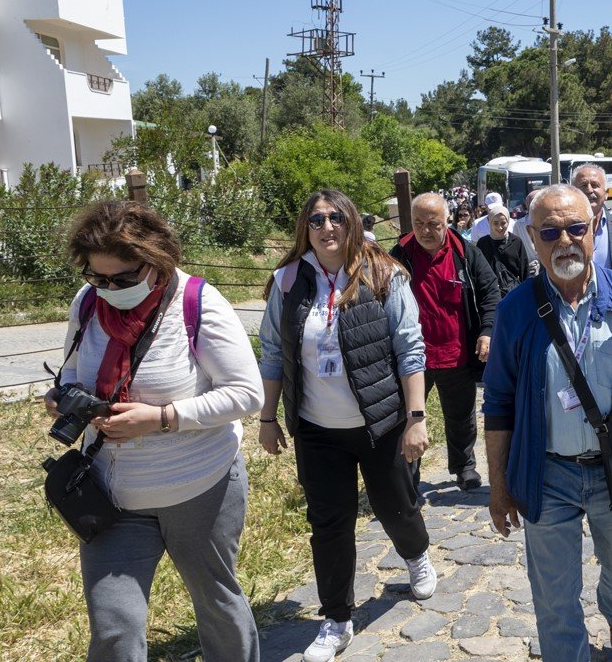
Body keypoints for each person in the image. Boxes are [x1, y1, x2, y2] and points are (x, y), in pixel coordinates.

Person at [46, 200, 262, 662]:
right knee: (113, 630)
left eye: (122, 279)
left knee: (217, 606)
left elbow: (247, 394)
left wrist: (161, 417)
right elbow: (71, 374)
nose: (109, 290)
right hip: (112, 497)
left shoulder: (197, 301)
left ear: (156, 261)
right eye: (97, 277)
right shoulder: (86, 304)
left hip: (200, 488)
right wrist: (62, 397)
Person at [482, 185, 612, 662]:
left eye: (576, 228)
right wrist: (498, 486)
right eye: (550, 232)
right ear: (532, 237)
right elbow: (498, 404)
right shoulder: (516, 310)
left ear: (594, 228)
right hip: (547, 472)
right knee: (554, 599)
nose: (565, 241)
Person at [258, 190, 435, 662]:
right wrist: (268, 417)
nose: (327, 226)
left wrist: (415, 419)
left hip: (380, 423)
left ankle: (416, 556)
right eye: (316, 219)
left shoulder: (385, 274)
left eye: (337, 217)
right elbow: (273, 352)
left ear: (352, 222)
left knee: (396, 506)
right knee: (329, 523)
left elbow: (410, 349)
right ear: (305, 229)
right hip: (317, 429)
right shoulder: (288, 281)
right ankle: (336, 618)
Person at [390, 193, 501, 490]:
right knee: (407, 417)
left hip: (457, 351)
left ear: (447, 221)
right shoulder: (398, 255)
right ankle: (408, 472)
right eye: (419, 223)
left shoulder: (466, 252)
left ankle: (464, 467)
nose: (426, 230)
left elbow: (491, 292)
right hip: (412, 357)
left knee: (461, 415)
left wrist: (487, 330)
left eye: (433, 223)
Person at [572, 164, 612, 274]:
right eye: (583, 185)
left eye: (595, 185)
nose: (589, 190)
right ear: (573, 193)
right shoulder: (561, 230)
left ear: (606, 194)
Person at [477, 202, 531, 298]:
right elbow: (477, 271)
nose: (500, 227)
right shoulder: (483, 243)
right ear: (489, 222)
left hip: (513, 295)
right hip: (490, 295)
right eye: (495, 223)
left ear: (508, 222)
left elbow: (524, 271)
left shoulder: (516, 242)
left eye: (503, 223)